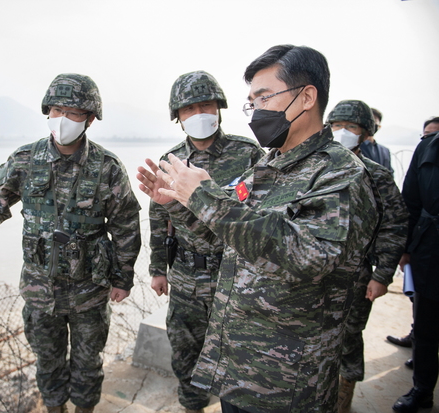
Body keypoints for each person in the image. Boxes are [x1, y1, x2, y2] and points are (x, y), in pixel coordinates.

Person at [137, 44, 378, 413]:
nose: (255, 110)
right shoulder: (268, 168)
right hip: (241, 365)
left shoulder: (338, 174)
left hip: (287, 380)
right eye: (251, 101)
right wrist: (181, 207)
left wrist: (203, 197)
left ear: (306, 96)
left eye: (264, 97)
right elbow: (227, 238)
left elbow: (309, 258)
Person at [0, 73, 142, 413]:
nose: (63, 119)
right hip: (39, 290)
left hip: (89, 290)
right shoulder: (25, 159)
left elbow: (125, 225)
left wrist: (123, 278)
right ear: (48, 112)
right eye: (58, 110)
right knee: (47, 362)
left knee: (88, 361)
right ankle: (54, 408)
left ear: (90, 119)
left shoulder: (106, 167)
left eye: (74, 112)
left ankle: (84, 409)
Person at [147, 71, 264, 413]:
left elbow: (259, 215)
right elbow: (158, 220)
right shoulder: (170, 162)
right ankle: (192, 406)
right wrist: (158, 270)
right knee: (185, 353)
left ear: (219, 109)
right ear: (178, 118)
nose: (198, 114)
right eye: (189, 109)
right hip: (185, 276)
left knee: (238, 357)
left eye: (206, 105)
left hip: (235, 274)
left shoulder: (248, 154)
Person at [326, 100, 408, 413]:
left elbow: (395, 226)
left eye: (351, 128)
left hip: (356, 277)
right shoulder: (314, 169)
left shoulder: (378, 176)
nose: (342, 133)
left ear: (365, 134)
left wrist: (382, 275)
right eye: (336, 126)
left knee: (348, 338)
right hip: (314, 275)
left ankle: (342, 400)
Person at [392, 119, 439, 413]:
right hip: (430, 252)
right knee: (425, 327)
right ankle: (422, 390)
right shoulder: (427, 149)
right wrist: (405, 249)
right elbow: (409, 202)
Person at [359, 108, 393, 172]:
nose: (370, 125)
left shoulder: (385, 151)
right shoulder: (352, 147)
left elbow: (389, 173)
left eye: (373, 121)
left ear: (379, 126)